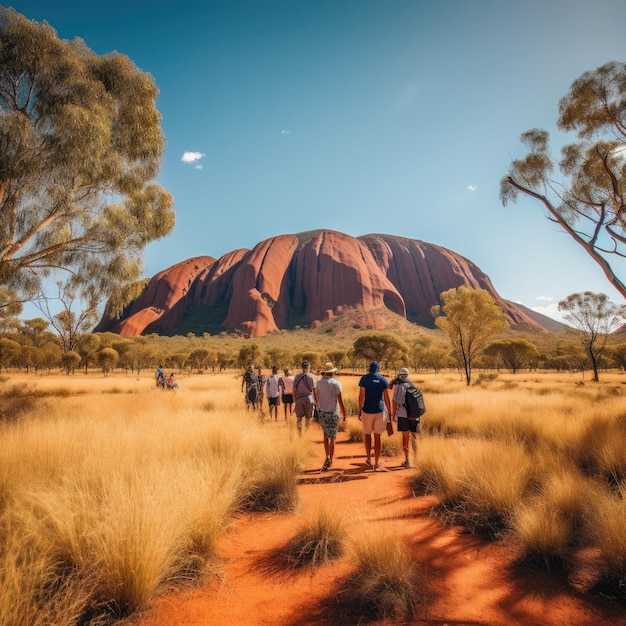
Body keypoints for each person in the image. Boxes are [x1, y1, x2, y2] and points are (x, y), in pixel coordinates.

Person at [358, 361, 392, 471]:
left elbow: (361, 397)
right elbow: (386, 398)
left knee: (367, 434)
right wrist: (390, 412)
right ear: (378, 369)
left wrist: (359, 410)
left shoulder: (364, 379)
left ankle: (368, 459)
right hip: (379, 411)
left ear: (369, 368)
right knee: (378, 437)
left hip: (367, 411)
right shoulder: (382, 380)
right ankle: (377, 463)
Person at [316, 362, 346, 471]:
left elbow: (317, 399)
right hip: (334, 412)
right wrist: (344, 412)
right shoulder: (336, 383)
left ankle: (327, 456)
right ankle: (331, 459)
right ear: (332, 372)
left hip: (323, 412)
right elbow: (340, 400)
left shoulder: (318, 384)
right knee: (333, 437)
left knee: (325, 436)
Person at [391, 367, 421, 467]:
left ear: (400, 375)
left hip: (403, 414)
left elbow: (395, 401)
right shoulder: (412, 385)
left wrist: (393, 414)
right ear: (407, 375)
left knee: (405, 438)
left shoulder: (399, 386)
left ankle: (407, 461)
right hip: (414, 415)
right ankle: (416, 460)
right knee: (414, 437)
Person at [293, 360, 318, 434]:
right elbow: (314, 390)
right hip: (309, 398)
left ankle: (299, 434)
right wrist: (316, 401)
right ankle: (306, 434)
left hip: (299, 398)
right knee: (309, 417)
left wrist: (295, 400)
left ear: (302, 368)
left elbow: (294, 389)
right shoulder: (312, 377)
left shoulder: (297, 377)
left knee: (299, 418)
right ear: (309, 367)